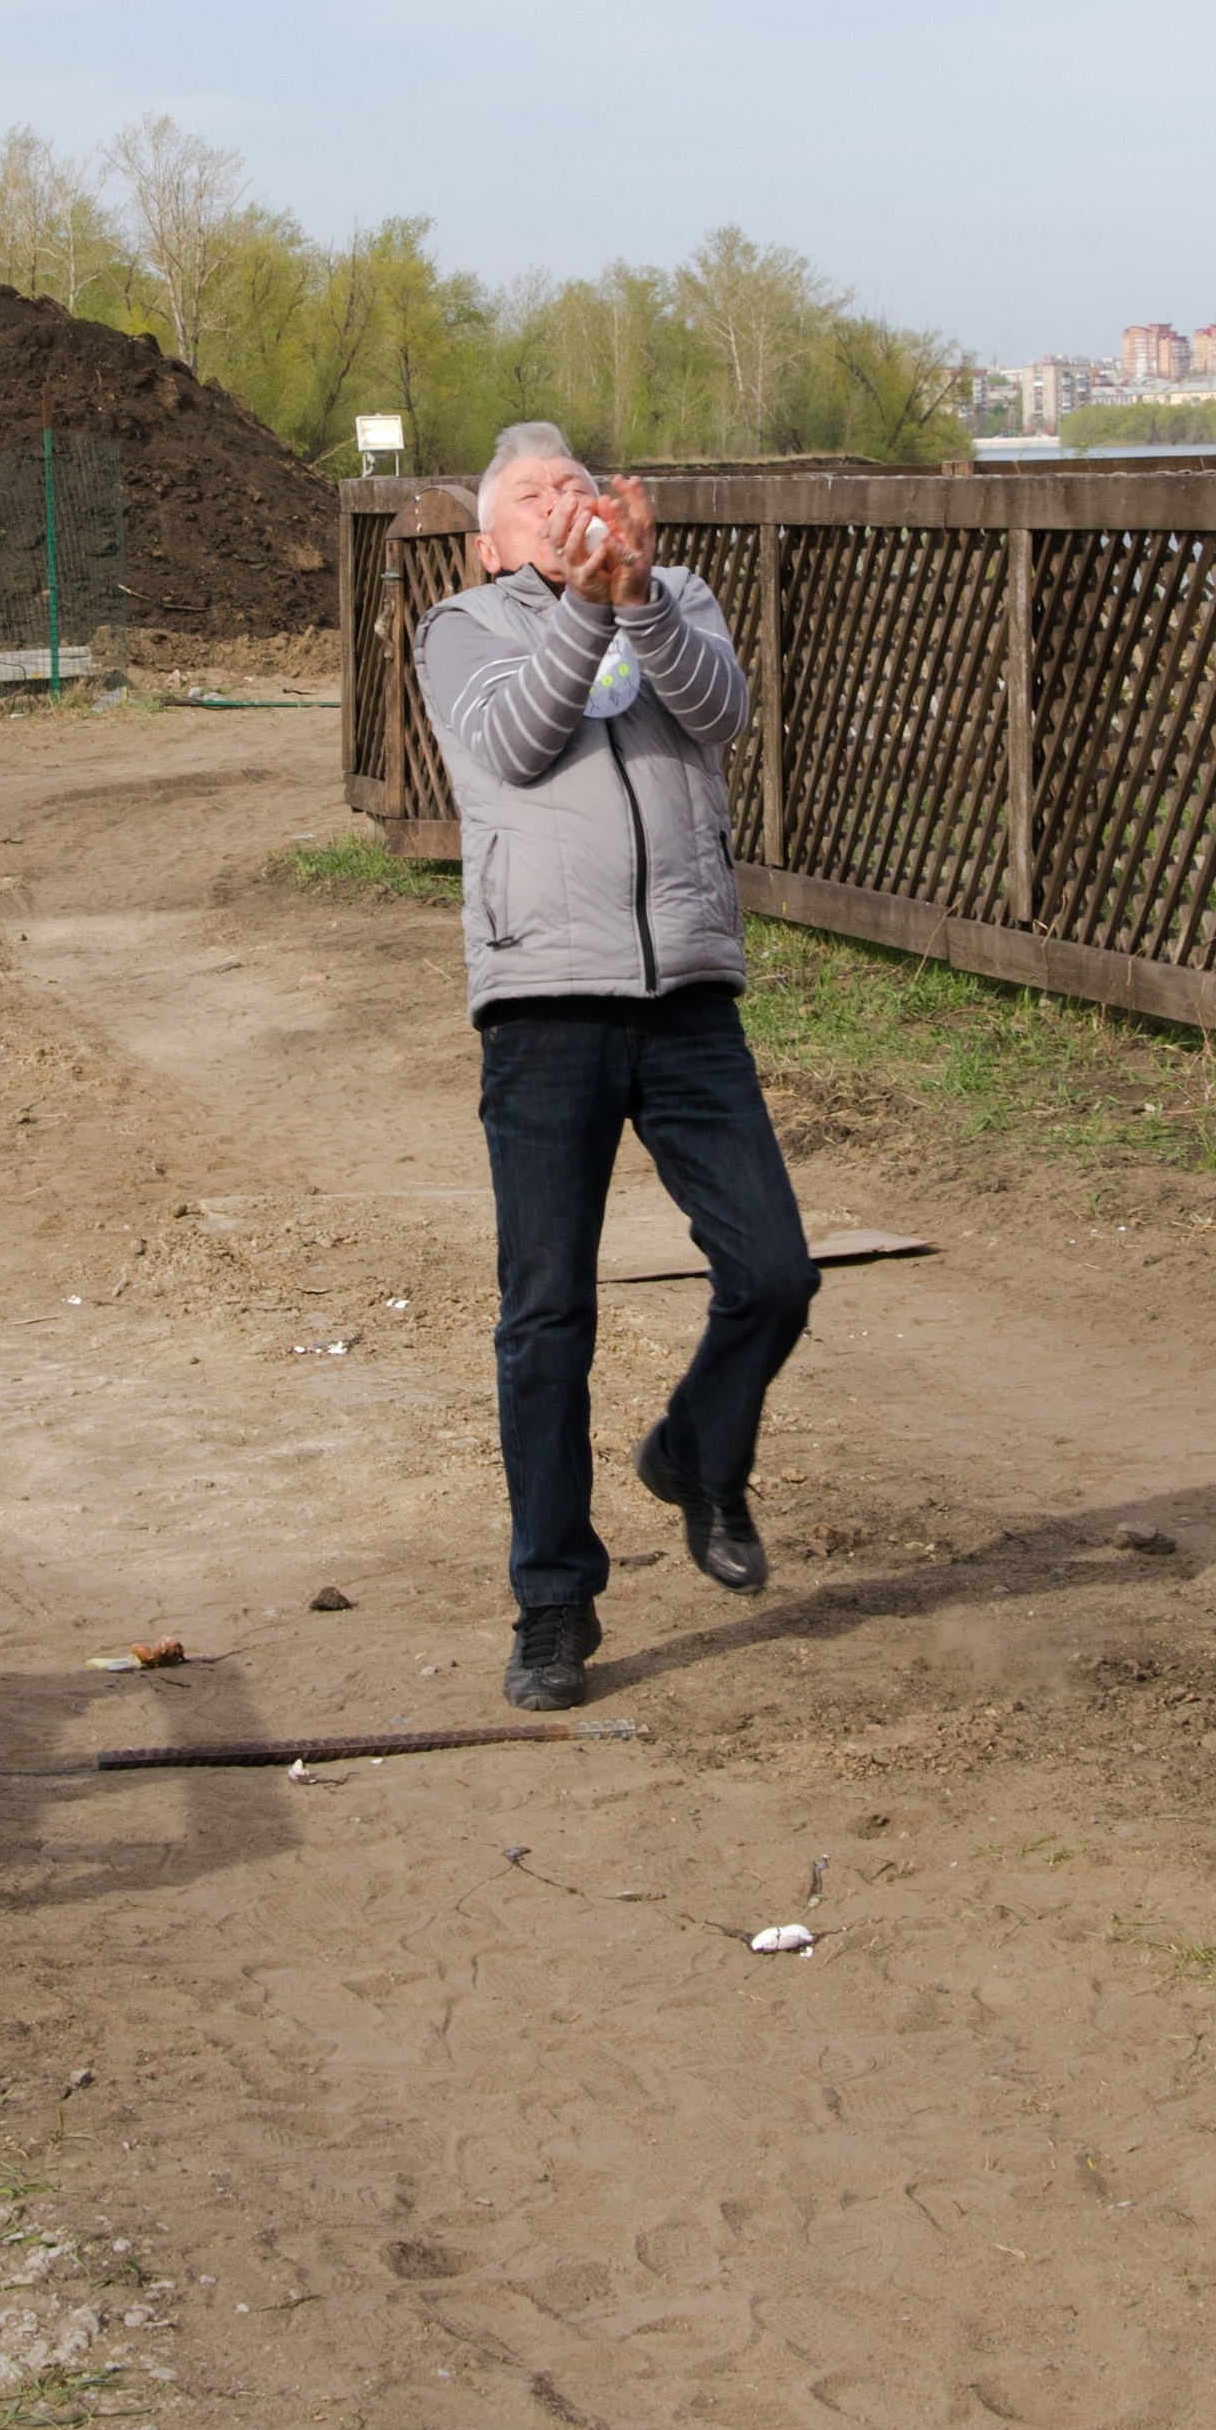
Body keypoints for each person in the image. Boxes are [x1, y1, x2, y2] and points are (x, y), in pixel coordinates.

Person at [414, 422, 818, 1712]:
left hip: (689, 993)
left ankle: (697, 1456)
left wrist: (638, 598)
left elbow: (725, 713)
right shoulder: (461, 630)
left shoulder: (675, 596)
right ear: (492, 541)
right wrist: (586, 615)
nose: (560, 502)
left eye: (576, 485)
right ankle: (553, 1603)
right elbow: (520, 744)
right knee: (547, 1317)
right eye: (532, 496)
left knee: (773, 1269)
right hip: (542, 1005)